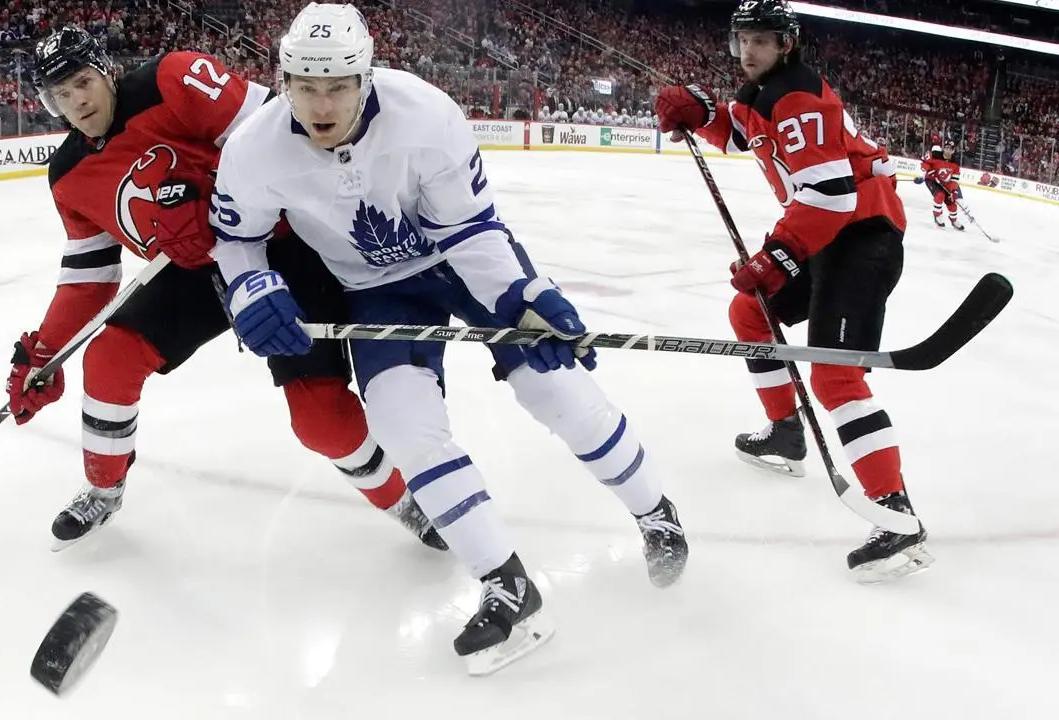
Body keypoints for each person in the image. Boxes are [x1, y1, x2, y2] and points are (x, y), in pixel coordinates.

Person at [209, 3, 688, 675]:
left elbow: (471, 230)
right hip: (377, 291)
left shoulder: (427, 115)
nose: (321, 105)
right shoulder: (253, 150)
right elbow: (237, 238)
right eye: (305, 86)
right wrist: (252, 288)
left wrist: (523, 296)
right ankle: (507, 585)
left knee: (554, 390)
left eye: (338, 87)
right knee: (404, 426)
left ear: (365, 78)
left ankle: (655, 512)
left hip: (461, 261)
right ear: (282, 80)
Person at [17, 26, 443, 552]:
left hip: (282, 247)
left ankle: (402, 499)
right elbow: (90, 275)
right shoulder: (68, 173)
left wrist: (215, 195)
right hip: (192, 270)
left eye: (83, 82)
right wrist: (45, 352)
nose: (76, 101)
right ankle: (103, 490)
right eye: (61, 94)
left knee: (321, 421)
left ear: (106, 71)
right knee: (109, 357)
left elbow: (282, 132)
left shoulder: (172, 81)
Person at [654, 0, 930, 582]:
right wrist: (701, 113)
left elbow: (833, 194)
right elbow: (739, 134)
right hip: (830, 235)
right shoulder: (762, 94)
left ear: (787, 44)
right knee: (749, 313)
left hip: (864, 235)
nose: (749, 50)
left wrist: (778, 254)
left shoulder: (797, 97)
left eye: (762, 40)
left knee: (833, 375)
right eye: (743, 39)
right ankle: (785, 432)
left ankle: (897, 516)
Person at [917, 145, 964, 230]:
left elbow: (954, 179)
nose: (948, 150)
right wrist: (928, 171)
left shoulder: (955, 163)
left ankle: (954, 220)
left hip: (946, 183)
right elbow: (924, 163)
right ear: (944, 148)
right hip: (932, 180)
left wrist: (953, 191)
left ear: (953, 151)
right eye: (947, 148)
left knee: (951, 201)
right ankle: (937, 215)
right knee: (940, 195)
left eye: (951, 149)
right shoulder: (935, 154)